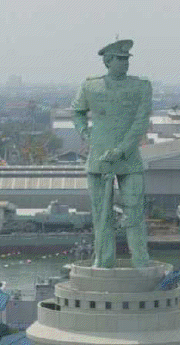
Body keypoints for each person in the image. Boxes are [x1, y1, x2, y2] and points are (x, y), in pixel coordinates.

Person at [71, 39, 152, 269]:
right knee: (101, 214)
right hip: (99, 159)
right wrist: (85, 133)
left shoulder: (141, 86)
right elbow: (77, 111)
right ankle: (104, 259)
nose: (125, 63)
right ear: (108, 61)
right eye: (120, 59)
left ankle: (140, 259)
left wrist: (121, 150)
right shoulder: (90, 86)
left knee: (134, 211)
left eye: (127, 59)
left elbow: (141, 122)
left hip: (129, 159)